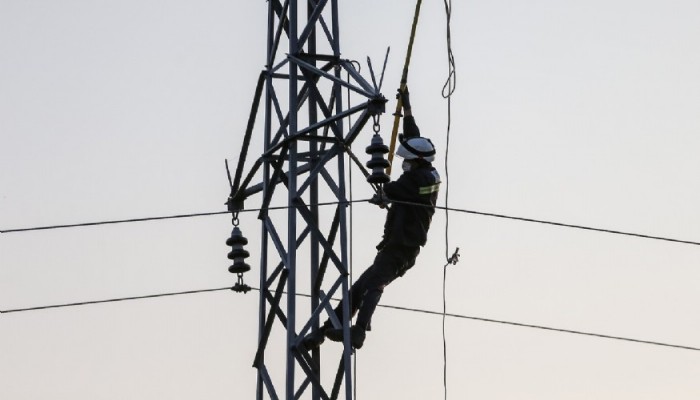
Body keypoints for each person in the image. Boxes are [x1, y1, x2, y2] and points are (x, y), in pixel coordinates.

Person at [302, 87, 441, 350]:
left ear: (417, 163)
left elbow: (390, 190)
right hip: (395, 244)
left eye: (407, 162)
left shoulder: (417, 181)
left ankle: (359, 332)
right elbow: (413, 136)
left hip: (403, 247)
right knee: (358, 289)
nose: (404, 164)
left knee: (375, 284)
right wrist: (406, 106)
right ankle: (326, 329)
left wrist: (383, 194)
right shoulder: (426, 171)